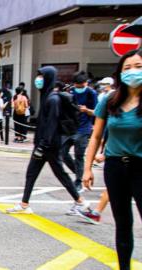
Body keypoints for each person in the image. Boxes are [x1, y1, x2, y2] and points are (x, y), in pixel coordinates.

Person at [82, 49, 142, 270]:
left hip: (140, 167)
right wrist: (87, 169)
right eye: (127, 68)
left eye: (138, 66)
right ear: (120, 73)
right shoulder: (109, 100)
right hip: (115, 167)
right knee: (123, 224)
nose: (133, 72)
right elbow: (96, 136)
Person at [6, 66, 89, 215]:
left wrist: (42, 146)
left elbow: (51, 124)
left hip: (49, 145)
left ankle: (80, 202)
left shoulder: (53, 99)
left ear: (49, 78)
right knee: (32, 173)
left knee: (59, 173)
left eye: (41, 76)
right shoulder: (47, 96)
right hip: (45, 144)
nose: (38, 79)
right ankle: (24, 204)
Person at [61, 71, 98, 192]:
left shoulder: (91, 93)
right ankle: (78, 173)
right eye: (77, 85)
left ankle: (78, 181)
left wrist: (87, 110)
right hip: (71, 128)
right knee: (63, 152)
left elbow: (97, 111)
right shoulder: (71, 91)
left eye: (81, 86)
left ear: (86, 83)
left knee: (79, 155)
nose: (79, 88)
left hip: (84, 127)